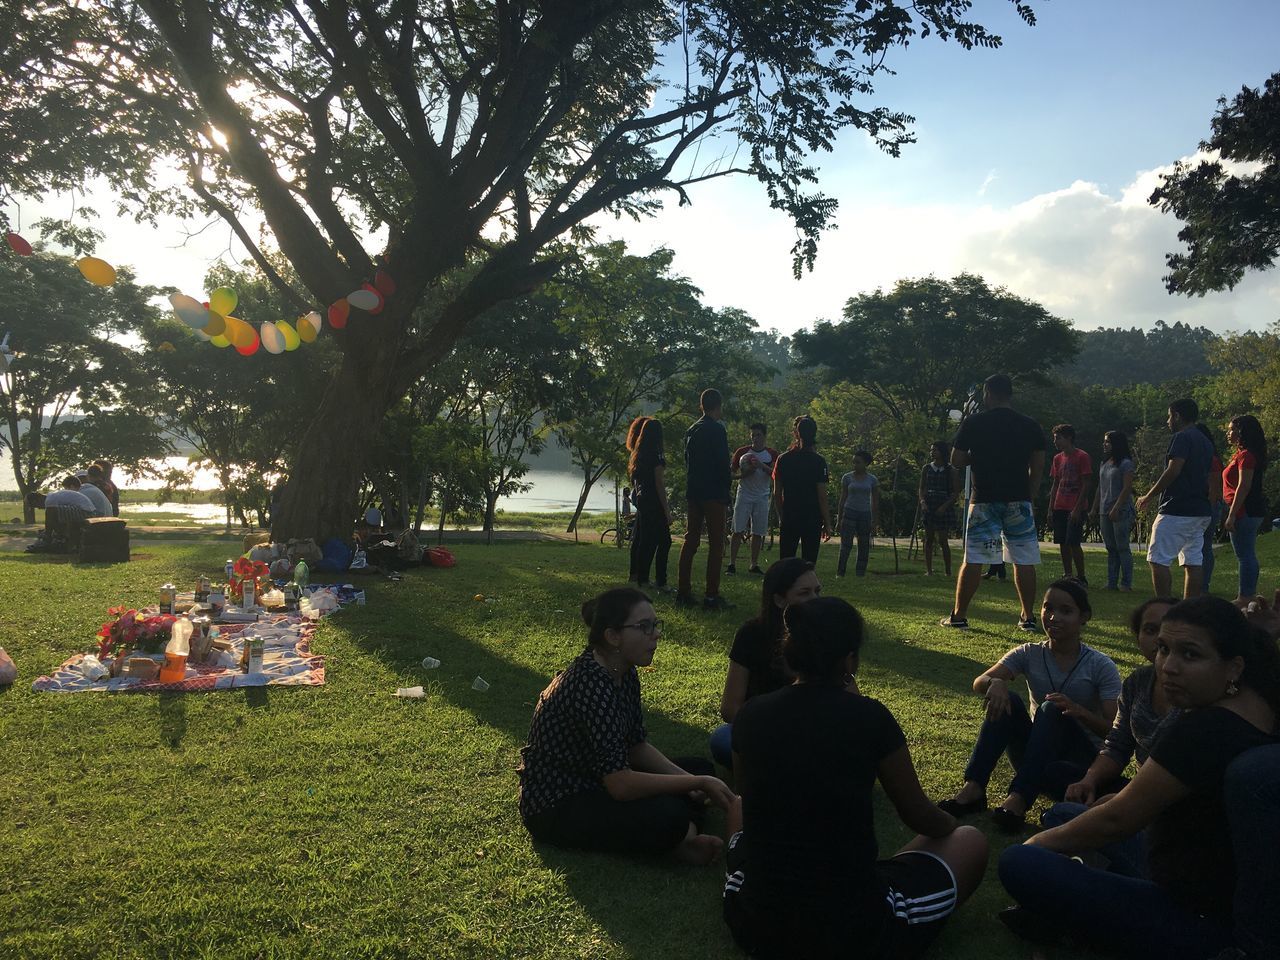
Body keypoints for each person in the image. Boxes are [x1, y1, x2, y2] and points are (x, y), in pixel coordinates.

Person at [997, 596, 1280, 960]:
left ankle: (1086, 924)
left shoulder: (1204, 728)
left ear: (1234, 667)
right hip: (1192, 860)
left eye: (1190, 655)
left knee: (1020, 862)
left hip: (1195, 910)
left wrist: (1034, 846)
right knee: (1064, 815)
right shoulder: (1264, 700)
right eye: (1163, 649)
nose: (1168, 667)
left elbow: (1117, 821)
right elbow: (1121, 767)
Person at [723, 596, 989, 960]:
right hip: (852, 929)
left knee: (738, 807)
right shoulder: (870, 719)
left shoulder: (752, 714)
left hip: (756, 921)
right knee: (970, 841)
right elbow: (919, 815)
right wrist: (949, 823)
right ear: (849, 659)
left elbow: (748, 797)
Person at [517, 587, 735, 863]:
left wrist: (690, 781)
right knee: (672, 813)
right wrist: (696, 784)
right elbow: (620, 784)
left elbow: (635, 745)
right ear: (613, 636)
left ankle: (680, 835)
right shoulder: (590, 685)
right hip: (559, 802)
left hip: (598, 778)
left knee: (698, 767)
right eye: (644, 627)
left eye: (655, 625)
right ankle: (680, 842)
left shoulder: (624, 671)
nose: (656, 634)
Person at [937, 579, 1122, 832]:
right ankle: (974, 788)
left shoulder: (1100, 665)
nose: (1053, 617)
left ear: (1084, 617)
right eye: (1048, 608)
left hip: (1079, 765)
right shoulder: (1030, 652)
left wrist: (1077, 711)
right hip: (1036, 754)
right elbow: (980, 681)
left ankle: (1020, 799)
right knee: (1009, 700)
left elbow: (1114, 733)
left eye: (1066, 611)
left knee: (1052, 707)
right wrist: (996, 683)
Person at [1037, 596, 1180, 877]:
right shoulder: (1138, 682)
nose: (1159, 639)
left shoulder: (1197, 692)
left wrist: (1121, 801)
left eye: (1167, 630)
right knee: (1059, 777)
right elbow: (1117, 744)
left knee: (1060, 817)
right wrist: (1089, 781)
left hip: (1168, 809)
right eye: (1150, 631)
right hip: (1137, 793)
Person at [940, 374, 1045, 631]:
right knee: (1023, 559)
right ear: (1010, 394)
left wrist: (976, 456)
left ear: (988, 393)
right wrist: (1030, 494)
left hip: (984, 498)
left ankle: (959, 616)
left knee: (974, 558)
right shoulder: (1030, 425)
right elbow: (1038, 465)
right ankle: (1027, 617)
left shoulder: (974, 423)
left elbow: (955, 460)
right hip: (1018, 499)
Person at [709, 558, 823, 767]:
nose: (815, 599)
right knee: (722, 739)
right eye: (804, 593)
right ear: (779, 600)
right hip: (765, 727)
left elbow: (850, 699)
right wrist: (775, 728)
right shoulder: (751, 634)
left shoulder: (826, 632)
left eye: (817, 591)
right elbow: (730, 707)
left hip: (814, 727)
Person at [1135, 398, 1214, 598]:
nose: (1168, 421)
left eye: (1169, 416)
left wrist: (1149, 496)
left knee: (1157, 559)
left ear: (1178, 415)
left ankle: (1163, 606)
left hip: (1177, 508)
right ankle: (1189, 609)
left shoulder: (1182, 437)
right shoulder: (1205, 440)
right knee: (1193, 561)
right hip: (1200, 510)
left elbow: (1174, 470)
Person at [676, 391, 733, 610]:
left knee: (691, 539)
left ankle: (684, 591)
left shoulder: (692, 430)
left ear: (701, 406)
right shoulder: (717, 429)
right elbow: (721, 462)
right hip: (713, 492)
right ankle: (711, 595)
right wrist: (726, 487)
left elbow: (687, 461)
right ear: (718, 406)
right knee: (717, 543)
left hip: (694, 490)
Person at [772, 415, 831, 564]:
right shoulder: (819, 461)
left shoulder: (783, 459)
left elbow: (777, 493)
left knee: (786, 560)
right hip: (812, 516)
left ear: (797, 433)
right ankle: (807, 585)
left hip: (790, 514)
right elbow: (822, 496)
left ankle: (785, 586)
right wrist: (827, 522)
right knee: (809, 561)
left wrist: (781, 515)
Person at [1223, 414, 1268, 601]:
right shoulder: (1242, 454)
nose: (1229, 433)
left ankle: (1246, 595)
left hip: (1245, 511)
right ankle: (1246, 593)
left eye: (1232, 429)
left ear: (1242, 432)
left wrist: (1232, 515)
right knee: (1246, 553)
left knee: (1245, 555)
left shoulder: (1247, 456)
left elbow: (1244, 486)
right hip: (1246, 510)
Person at [727, 423, 778, 576]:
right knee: (738, 529)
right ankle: (732, 564)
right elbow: (729, 473)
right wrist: (743, 475)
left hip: (762, 495)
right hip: (744, 494)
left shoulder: (771, 454)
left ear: (764, 436)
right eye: (753, 435)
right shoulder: (742, 452)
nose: (755, 438)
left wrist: (761, 465)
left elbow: (775, 474)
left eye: (758, 435)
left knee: (758, 532)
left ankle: (753, 564)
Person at [629, 418, 673, 593]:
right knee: (665, 541)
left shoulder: (638, 455)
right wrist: (667, 510)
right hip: (654, 503)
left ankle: (642, 578)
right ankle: (661, 581)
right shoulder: (657, 456)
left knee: (645, 542)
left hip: (643, 501)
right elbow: (659, 484)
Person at [1092, 430, 1137, 592]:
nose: (1104, 445)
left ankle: (1126, 583)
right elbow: (1100, 488)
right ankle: (1111, 582)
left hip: (1120, 510)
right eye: (1104, 442)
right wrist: (1094, 508)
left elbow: (1127, 488)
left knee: (1122, 547)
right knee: (1111, 547)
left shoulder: (1125, 463)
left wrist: (1116, 507)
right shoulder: (1104, 463)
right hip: (1104, 510)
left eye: (1108, 442)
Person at [1048, 424, 1093, 585]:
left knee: (1073, 542)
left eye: (1058, 438)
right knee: (1062, 542)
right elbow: (1055, 483)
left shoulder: (1082, 456)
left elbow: (1087, 483)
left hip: (1075, 507)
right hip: (1060, 505)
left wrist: (1077, 508)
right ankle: (1068, 574)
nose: (1056, 442)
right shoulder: (1057, 458)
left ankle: (1081, 576)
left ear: (1069, 438)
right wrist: (1051, 508)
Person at [918, 441, 959, 578]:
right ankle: (929, 570)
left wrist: (944, 506)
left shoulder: (951, 470)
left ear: (942, 452)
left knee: (943, 540)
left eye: (935, 450)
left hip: (943, 504)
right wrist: (922, 502)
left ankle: (948, 571)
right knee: (928, 539)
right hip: (929, 503)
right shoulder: (927, 468)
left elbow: (955, 493)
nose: (932, 452)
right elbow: (921, 488)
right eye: (931, 450)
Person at [836, 450, 879, 577]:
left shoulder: (872, 479)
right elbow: (842, 498)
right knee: (846, 545)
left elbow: (875, 501)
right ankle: (840, 572)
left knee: (864, 545)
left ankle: (860, 573)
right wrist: (839, 519)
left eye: (858, 462)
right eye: (854, 462)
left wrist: (875, 521)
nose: (855, 465)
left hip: (865, 514)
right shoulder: (847, 477)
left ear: (866, 463)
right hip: (849, 512)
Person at [24, 477, 95, 552]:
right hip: (87, 511)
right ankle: (60, 540)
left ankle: (47, 540)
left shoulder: (50, 500)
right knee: (54, 517)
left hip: (86, 512)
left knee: (51, 512)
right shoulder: (52, 496)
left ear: (37, 500)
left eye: (35, 505)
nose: (38, 508)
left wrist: (47, 533)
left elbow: (49, 520)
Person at [1196, 422, 1226, 594]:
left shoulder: (1211, 460)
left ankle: (1203, 585)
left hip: (1208, 505)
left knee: (1204, 547)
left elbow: (1214, 489)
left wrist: (1210, 508)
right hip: (1204, 504)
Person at [624, 416, 650, 584]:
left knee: (639, 536)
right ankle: (639, 575)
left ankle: (635, 574)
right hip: (643, 496)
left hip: (638, 495)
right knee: (643, 537)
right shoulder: (643, 453)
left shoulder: (636, 452)